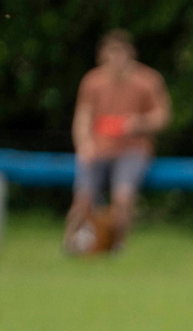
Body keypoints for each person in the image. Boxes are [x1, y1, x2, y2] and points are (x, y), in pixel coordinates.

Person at [67, 30, 170, 253]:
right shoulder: (92, 81)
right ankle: (72, 244)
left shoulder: (148, 80)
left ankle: (116, 247)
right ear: (102, 55)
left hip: (132, 149)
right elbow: (82, 118)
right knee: (82, 199)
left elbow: (163, 116)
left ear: (131, 53)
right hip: (97, 149)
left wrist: (137, 124)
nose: (116, 59)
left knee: (122, 198)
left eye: (120, 53)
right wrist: (84, 145)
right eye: (110, 54)